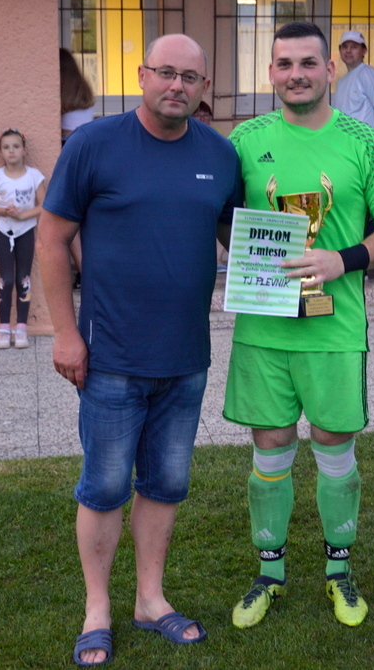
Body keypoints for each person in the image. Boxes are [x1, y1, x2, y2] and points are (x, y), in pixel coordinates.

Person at [39, 34, 240, 667]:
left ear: (204, 87)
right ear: (142, 75)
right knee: (103, 486)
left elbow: (244, 239)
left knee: (167, 483)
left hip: (185, 358)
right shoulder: (93, 145)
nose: (176, 86)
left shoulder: (220, 155)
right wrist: (65, 332)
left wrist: (297, 272)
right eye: (165, 73)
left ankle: (150, 600)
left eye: (189, 77)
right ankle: (97, 608)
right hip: (110, 357)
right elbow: (51, 240)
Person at [224, 21, 374, 630]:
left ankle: (339, 570)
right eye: (284, 64)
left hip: (335, 329)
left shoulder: (365, 142)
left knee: (334, 445)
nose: (296, 74)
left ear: (331, 70)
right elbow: (218, 214)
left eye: (308, 63)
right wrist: (246, 254)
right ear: (270, 73)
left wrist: (342, 259)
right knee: (270, 446)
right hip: (264, 327)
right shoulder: (244, 141)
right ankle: (269, 573)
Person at [0, 129, 45, 349]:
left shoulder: (34, 176)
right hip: (4, 232)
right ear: (1, 151)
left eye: (16, 146)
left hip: (26, 231)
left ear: (24, 150)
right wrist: (4, 212)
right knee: (6, 280)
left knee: (23, 279)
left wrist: (23, 216)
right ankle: (3, 330)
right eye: (6, 147)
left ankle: (21, 329)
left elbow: (44, 205)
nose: (11, 151)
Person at [59, 48, 94, 289]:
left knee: (66, 217)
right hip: (86, 154)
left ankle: (84, 271)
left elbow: (65, 133)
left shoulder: (59, 96)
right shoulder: (83, 92)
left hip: (65, 153)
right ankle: (87, 271)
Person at [334, 30, 374, 136]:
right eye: (345, 47)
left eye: (354, 47)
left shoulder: (367, 73)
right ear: (340, 50)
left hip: (365, 142)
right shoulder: (341, 83)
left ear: (364, 51)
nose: (348, 51)